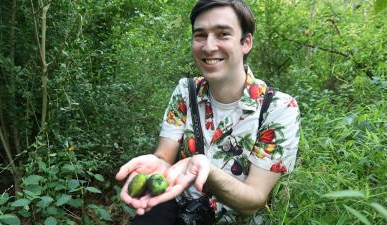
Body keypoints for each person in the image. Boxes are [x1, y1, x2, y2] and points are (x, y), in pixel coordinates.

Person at [115, 0, 300, 224]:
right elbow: (164, 155)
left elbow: (254, 200)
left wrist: (208, 172)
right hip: (180, 207)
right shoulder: (186, 91)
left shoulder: (279, 109)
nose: (209, 46)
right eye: (200, 35)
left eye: (223, 34)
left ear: (246, 42)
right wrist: (158, 164)